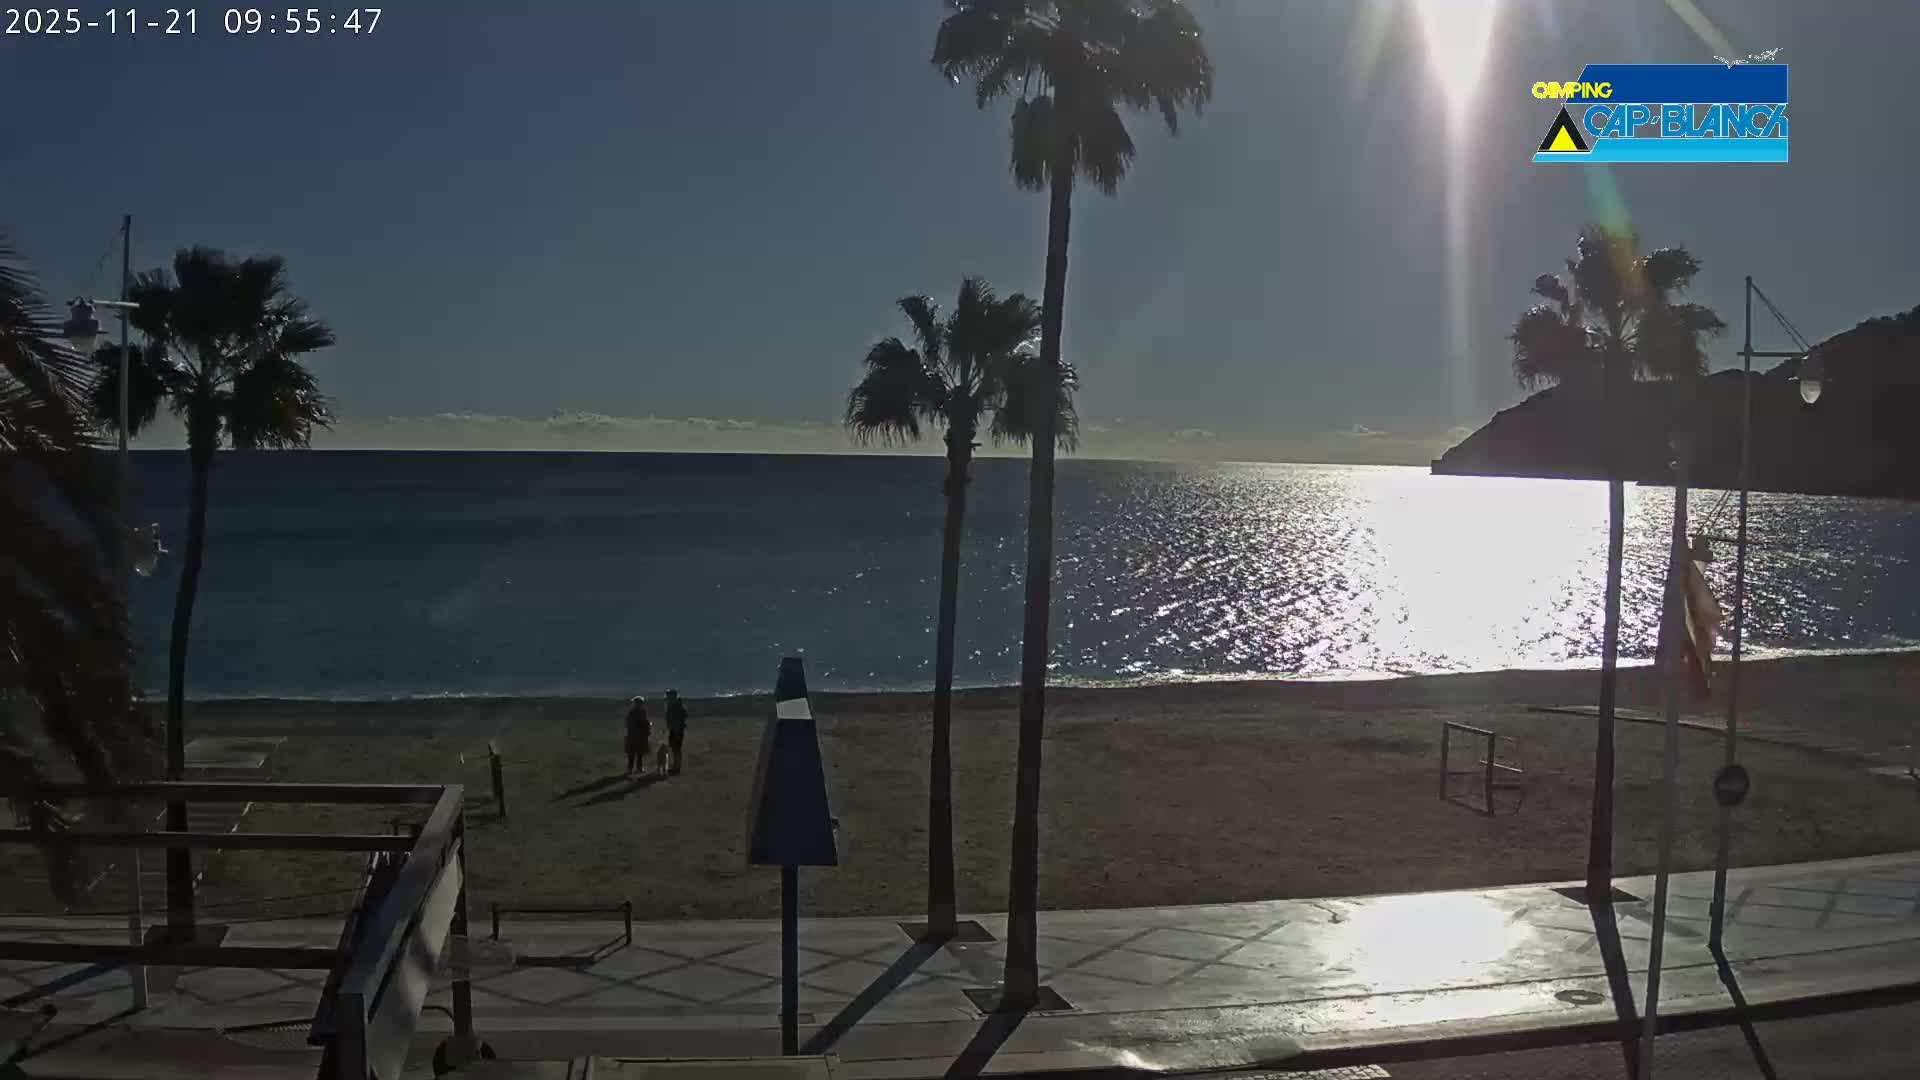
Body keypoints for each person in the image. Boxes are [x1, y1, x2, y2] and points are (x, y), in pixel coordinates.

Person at [624, 696, 650, 776]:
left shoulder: (632, 712)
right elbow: (644, 722)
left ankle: (631, 769)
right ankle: (637, 768)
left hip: (633, 735)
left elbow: (628, 724)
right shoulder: (641, 712)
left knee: (634, 753)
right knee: (638, 753)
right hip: (638, 735)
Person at [665, 690, 689, 776]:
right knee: (674, 748)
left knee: (676, 748)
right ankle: (676, 765)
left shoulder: (677, 705)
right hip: (674, 728)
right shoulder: (674, 705)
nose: (667, 698)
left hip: (677, 729)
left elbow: (684, 715)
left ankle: (677, 766)